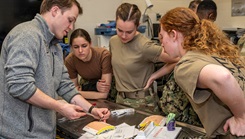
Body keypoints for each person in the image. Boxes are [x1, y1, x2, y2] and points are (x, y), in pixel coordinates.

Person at [0, 0, 110, 138]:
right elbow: (19, 85)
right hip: (19, 135)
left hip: (44, 133)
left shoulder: (55, 47)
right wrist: (60, 106)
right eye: (70, 20)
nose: (71, 27)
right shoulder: (27, 35)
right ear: (55, 11)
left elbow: (65, 86)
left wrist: (92, 109)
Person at [159, 7, 245, 138]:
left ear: (173, 35)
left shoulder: (185, 65)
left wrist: (241, 117)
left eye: (162, 37)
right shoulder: (214, 51)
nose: (162, 44)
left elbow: (223, 77)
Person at [109, 3, 177, 114]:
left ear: (137, 26)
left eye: (129, 32)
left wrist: (155, 75)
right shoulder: (113, 41)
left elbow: (178, 58)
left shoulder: (144, 46)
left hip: (142, 103)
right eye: (119, 30)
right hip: (120, 100)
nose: (124, 36)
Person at [65, 28, 112, 99]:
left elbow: (103, 94)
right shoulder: (70, 60)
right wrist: (94, 87)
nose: (80, 50)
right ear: (71, 47)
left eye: (84, 46)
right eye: (76, 47)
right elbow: (72, 93)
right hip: (88, 87)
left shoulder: (103, 55)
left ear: (90, 44)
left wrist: (78, 92)